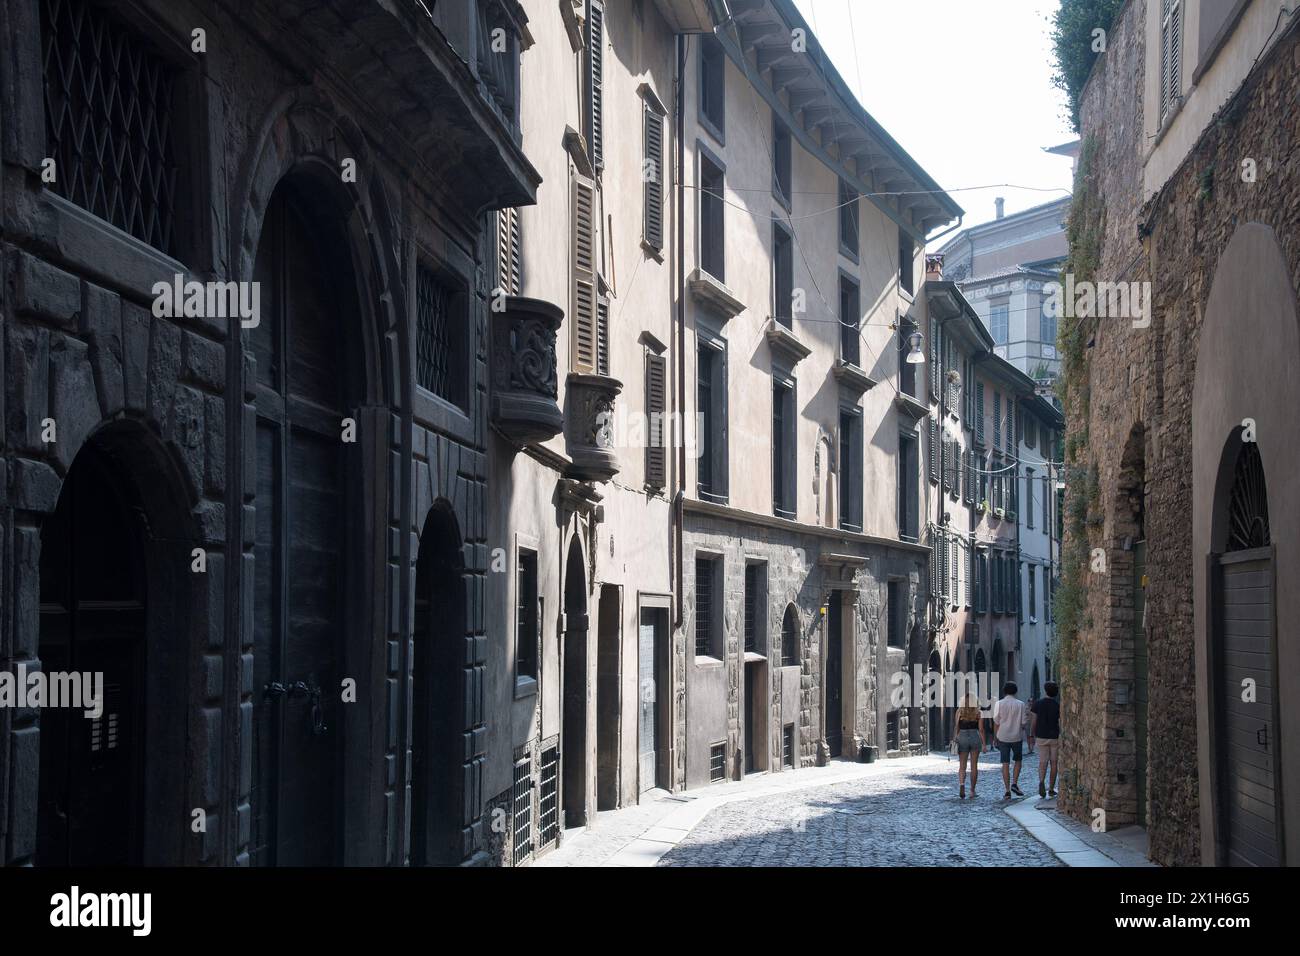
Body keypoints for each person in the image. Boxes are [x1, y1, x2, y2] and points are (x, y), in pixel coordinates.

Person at [992, 681, 1026, 799]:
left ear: (1004, 691)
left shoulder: (999, 704)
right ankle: (1015, 783)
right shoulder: (1021, 704)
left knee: (1005, 763)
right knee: (1018, 760)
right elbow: (1023, 723)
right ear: (1015, 691)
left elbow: (996, 722)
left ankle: (1007, 790)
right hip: (1016, 736)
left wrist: (995, 737)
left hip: (1003, 736)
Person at [1030, 680, 1062, 798]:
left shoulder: (1037, 704)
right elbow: (1060, 722)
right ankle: (1052, 788)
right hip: (1054, 737)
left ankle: (1042, 781)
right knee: (1054, 763)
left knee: (1043, 762)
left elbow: (1034, 721)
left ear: (1045, 691)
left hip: (1041, 736)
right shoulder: (1057, 705)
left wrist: (1031, 734)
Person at [953, 693, 985, 799]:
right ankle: (972, 790)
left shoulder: (959, 712)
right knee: (974, 766)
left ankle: (962, 784)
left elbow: (956, 727)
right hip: (974, 736)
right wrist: (984, 744)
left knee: (962, 766)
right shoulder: (978, 712)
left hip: (962, 736)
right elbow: (981, 729)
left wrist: (955, 739)